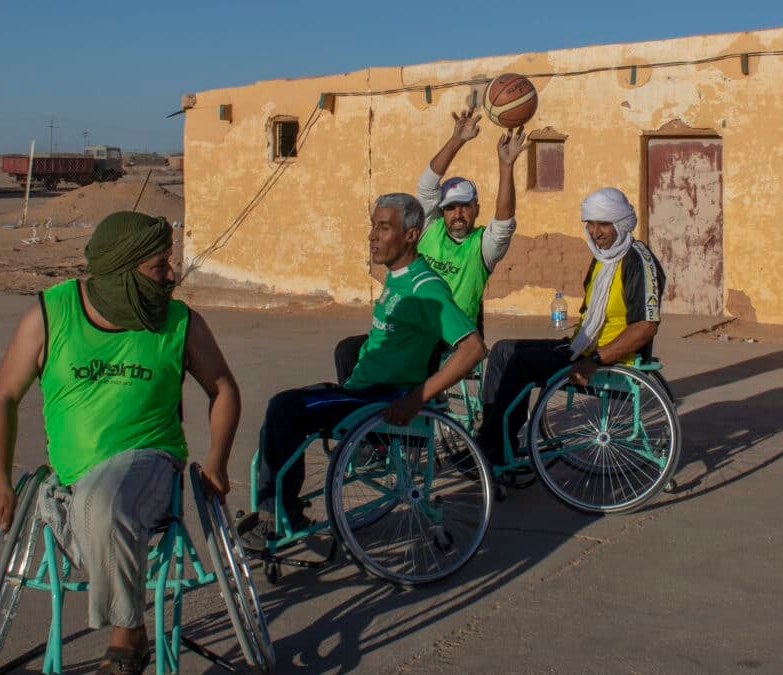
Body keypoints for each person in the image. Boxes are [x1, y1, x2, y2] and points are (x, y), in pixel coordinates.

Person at [0, 211, 241, 675]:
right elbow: (3, 397)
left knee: (104, 503)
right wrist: (1, 482)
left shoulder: (179, 322)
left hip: (151, 462)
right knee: (93, 502)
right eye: (159, 266)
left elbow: (222, 387)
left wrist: (217, 462)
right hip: (74, 477)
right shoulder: (52, 313)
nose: (171, 274)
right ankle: (125, 599)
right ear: (122, 270)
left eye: (170, 262)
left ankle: (128, 637)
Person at [241, 193, 487, 550]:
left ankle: (276, 518)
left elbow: (473, 349)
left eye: (384, 227)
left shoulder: (425, 287)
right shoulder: (398, 278)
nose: (373, 235)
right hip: (365, 388)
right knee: (294, 406)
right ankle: (280, 509)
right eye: (373, 225)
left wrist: (417, 398)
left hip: (380, 398)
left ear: (411, 235)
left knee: (284, 407)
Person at [473, 187, 666, 465]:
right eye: (591, 223)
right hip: (582, 349)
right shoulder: (605, 257)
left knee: (518, 362)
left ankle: (490, 449)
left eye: (603, 224)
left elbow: (646, 326)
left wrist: (595, 360)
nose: (595, 231)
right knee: (503, 349)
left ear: (621, 224)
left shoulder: (637, 261)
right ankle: (497, 440)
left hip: (607, 360)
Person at [333, 107, 526, 383]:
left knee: (396, 357)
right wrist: (457, 139)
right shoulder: (429, 229)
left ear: (476, 209)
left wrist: (506, 166)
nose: (458, 214)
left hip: (446, 337)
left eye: (465, 207)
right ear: (442, 211)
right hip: (408, 326)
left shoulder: (482, 247)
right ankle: (362, 414)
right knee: (347, 350)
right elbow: (427, 185)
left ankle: (392, 409)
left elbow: (504, 221)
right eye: (450, 207)